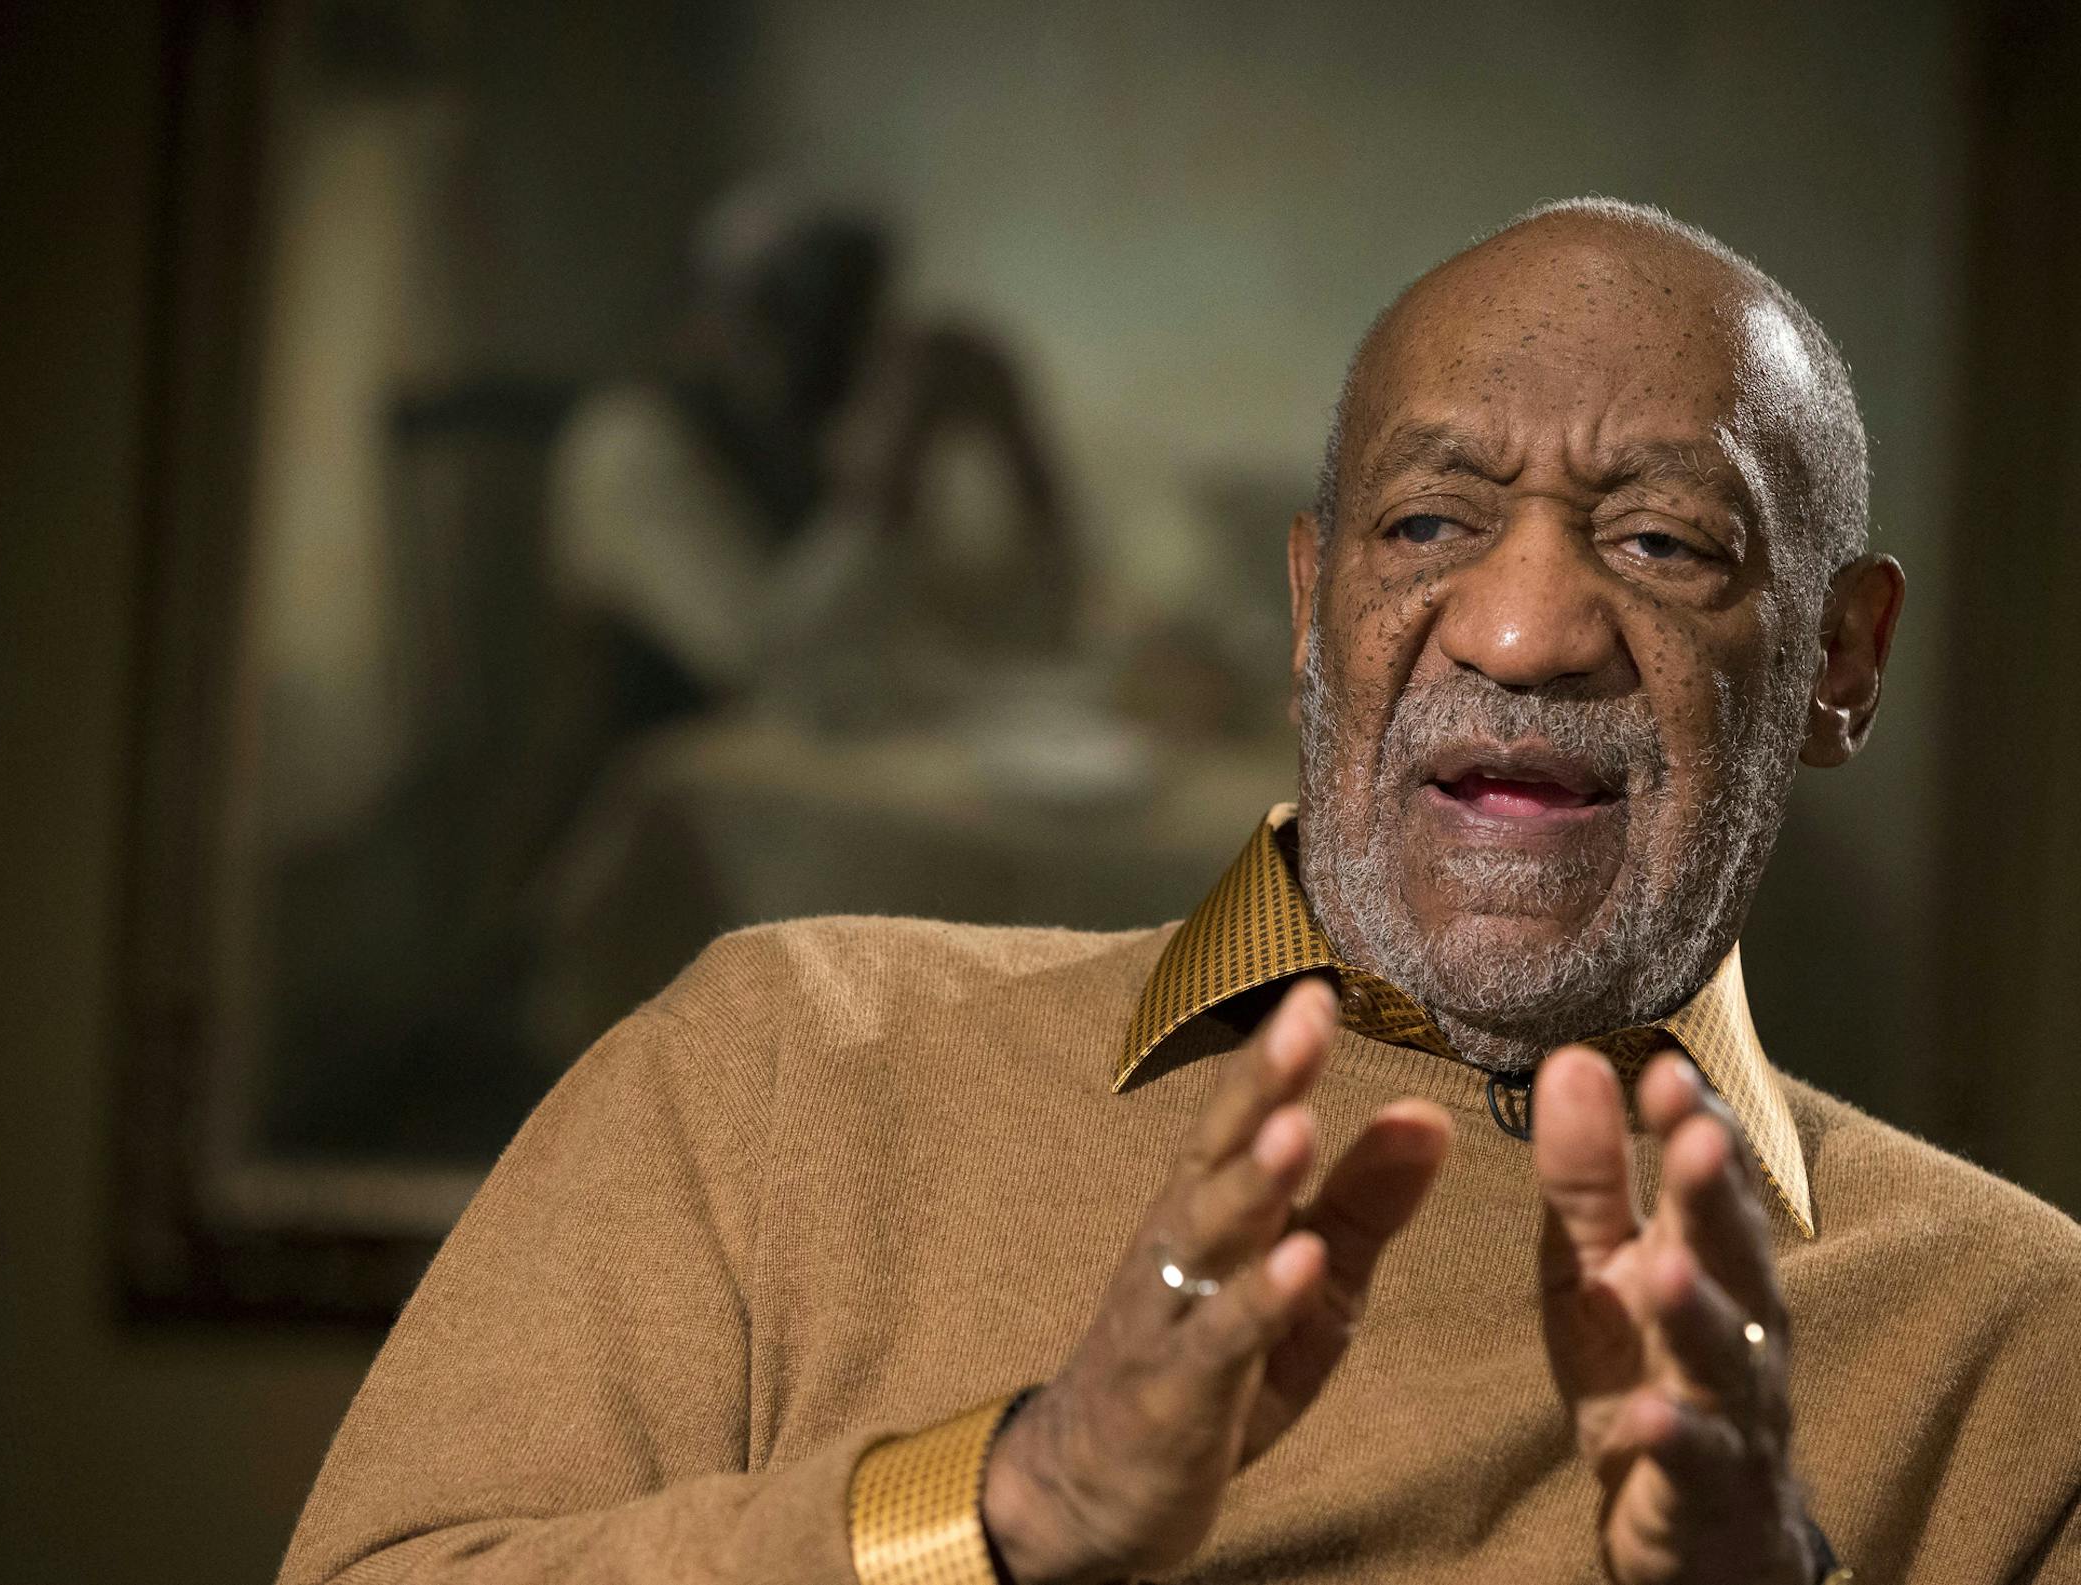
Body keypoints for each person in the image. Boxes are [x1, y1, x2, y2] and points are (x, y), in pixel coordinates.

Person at [278, 200, 2081, 1584]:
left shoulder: (2027, 1346)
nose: (1522, 630)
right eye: (1429, 525)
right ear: (1314, 613)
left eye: (1666, 541)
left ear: (1843, 662)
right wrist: (1009, 1501)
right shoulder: (773, 1062)